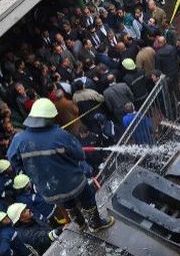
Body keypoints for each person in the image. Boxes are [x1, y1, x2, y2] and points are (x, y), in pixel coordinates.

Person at [7, 98, 114, 232]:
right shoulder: (60, 135)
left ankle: (80, 224)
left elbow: (13, 160)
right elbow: (80, 155)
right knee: (87, 197)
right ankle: (95, 224)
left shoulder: (18, 140)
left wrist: (31, 170)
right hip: (72, 181)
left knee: (66, 200)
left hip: (49, 187)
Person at [155, 36, 180, 104]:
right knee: (176, 87)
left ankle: (174, 104)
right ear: (165, 41)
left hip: (167, 76)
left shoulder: (158, 54)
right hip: (175, 72)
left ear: (159, 43)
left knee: (169, 91)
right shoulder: (172, 48)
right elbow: (176, 59)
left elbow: (158, 67)